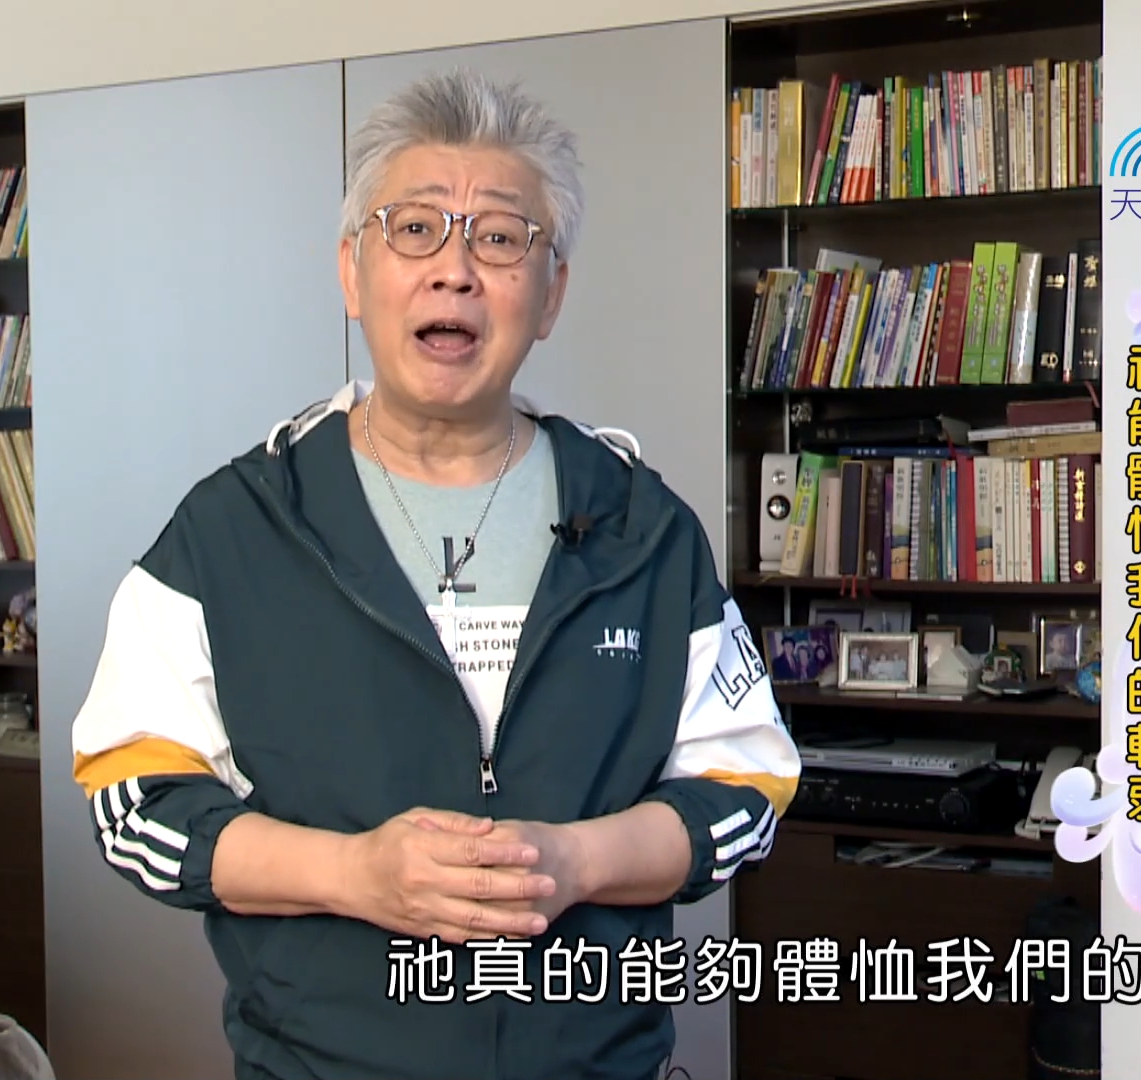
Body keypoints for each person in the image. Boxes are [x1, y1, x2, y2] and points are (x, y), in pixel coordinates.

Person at [69, 69, 800, 1080]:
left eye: (499, 238)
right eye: (414, 229)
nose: (454, 270)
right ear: (351, 272)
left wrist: (576, 862)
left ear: (551, 294)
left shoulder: (643, 528)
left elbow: (745, 786)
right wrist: (352, 874)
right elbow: (132, 797)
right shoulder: (234, 529)